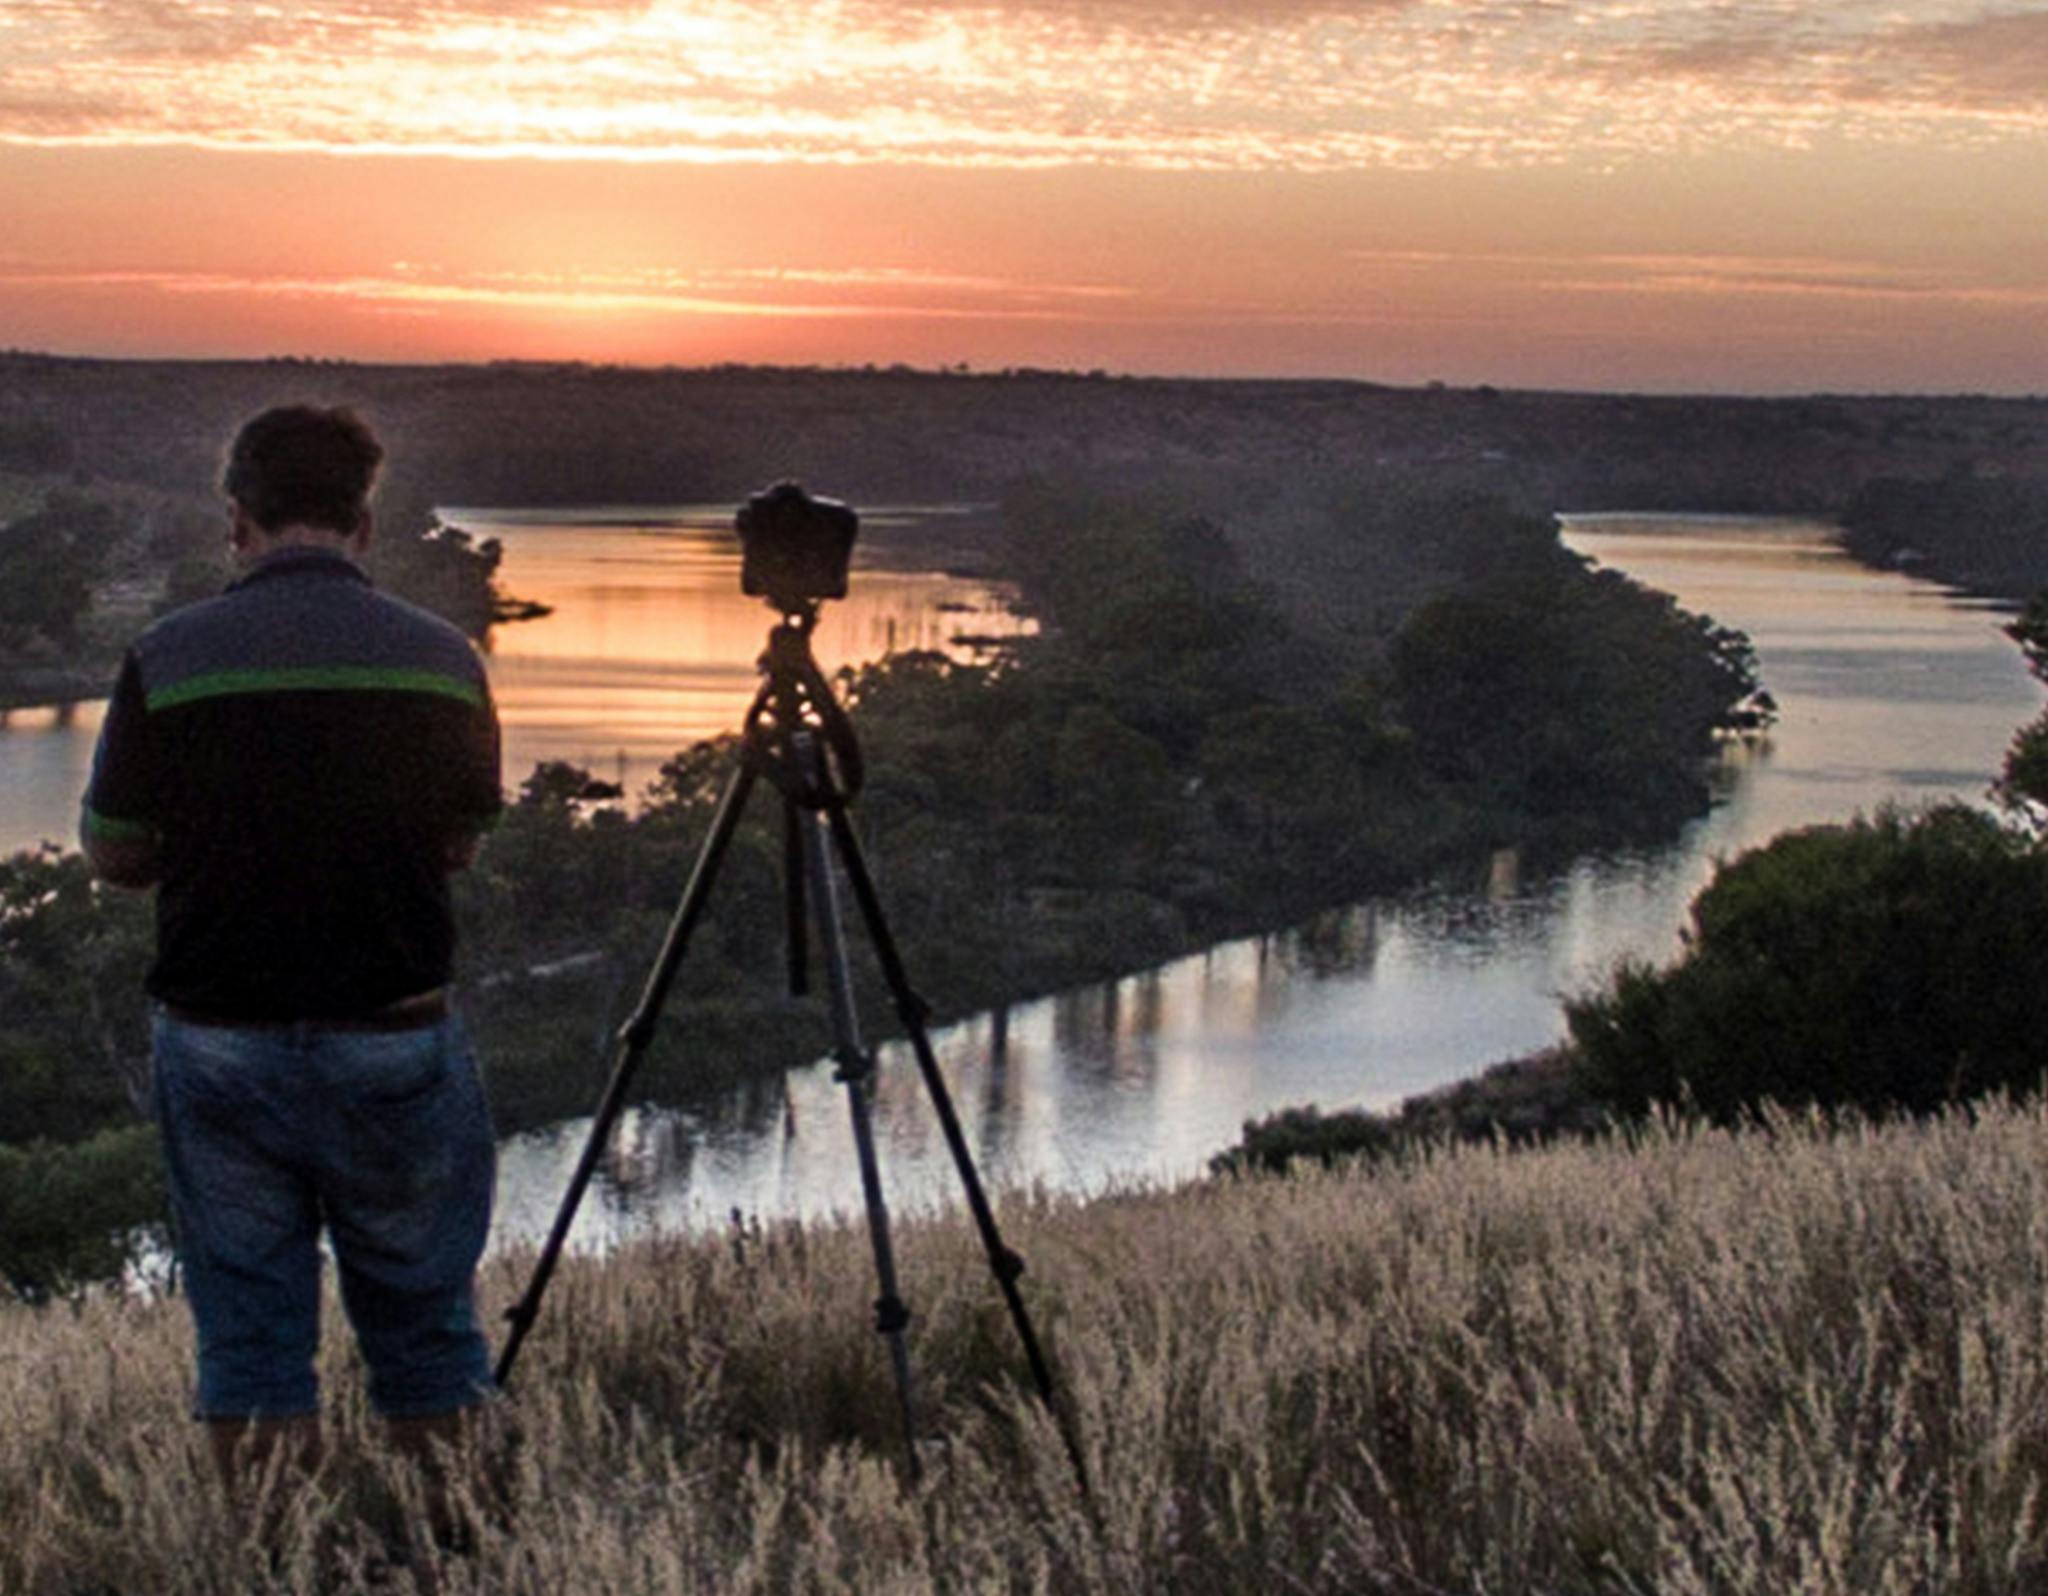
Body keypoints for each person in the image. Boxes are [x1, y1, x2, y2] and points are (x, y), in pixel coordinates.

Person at [80, 404, 504, 1499]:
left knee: (252, 1342)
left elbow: (113, 853)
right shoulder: (441, 656)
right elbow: (459, 839)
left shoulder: (166, 656)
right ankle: (448, 1555)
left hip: (220, 1044)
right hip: (395, 1036)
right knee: (426, 1333)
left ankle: (280, 1567)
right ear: (364, 525)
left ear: (237, 521)